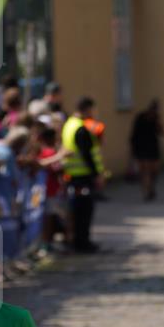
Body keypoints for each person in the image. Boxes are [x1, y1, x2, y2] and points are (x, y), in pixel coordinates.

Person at [61, 96, 105, 252]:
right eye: (93, 109)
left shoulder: (69, 124)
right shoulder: (80, 128)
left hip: (73, 175)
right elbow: (86, 154)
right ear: (87, 109)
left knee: (77, 210)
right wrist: (97, 175)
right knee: (84, 211)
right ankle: (83, 242)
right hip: (83, 176)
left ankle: (78, 240)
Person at [130, 100, 162, 201]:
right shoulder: (141, 117)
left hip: (151, 148)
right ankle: (147, 192)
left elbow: (160, 131)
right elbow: (134, 134)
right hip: (143, 147)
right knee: (146, 172)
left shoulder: (155, 119)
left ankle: (149, 189)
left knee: (152, 171)